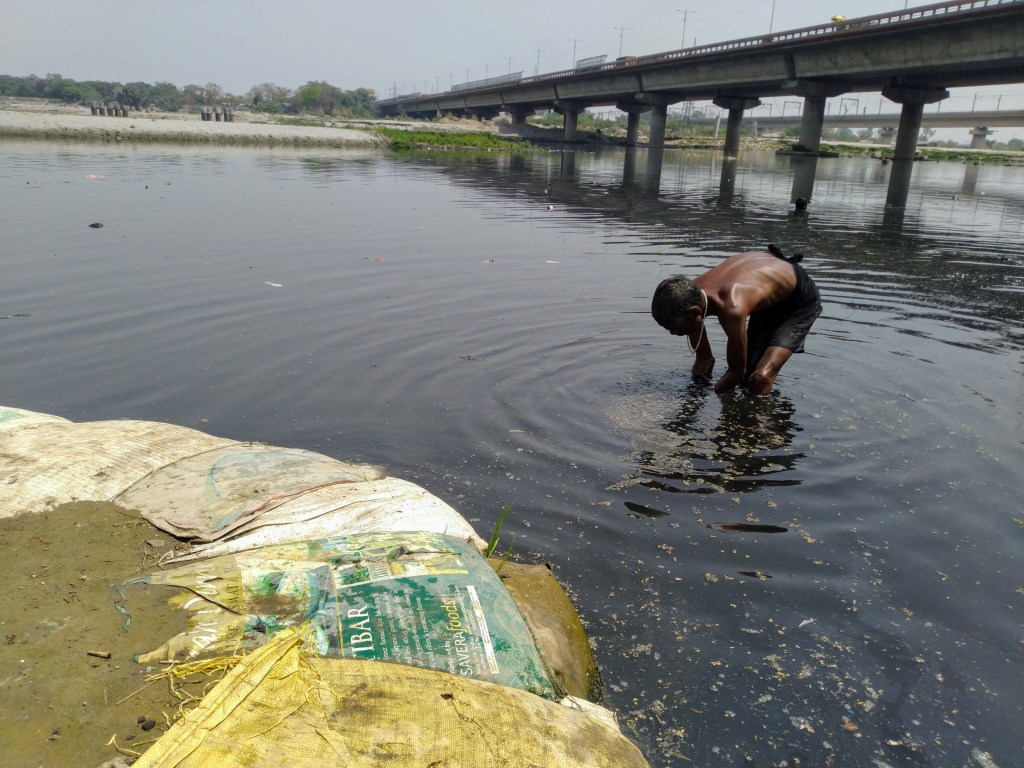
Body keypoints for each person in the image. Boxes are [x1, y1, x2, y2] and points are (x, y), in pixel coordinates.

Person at [651, 245, 823, 395]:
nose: (672, 333)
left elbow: (735, 372)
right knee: (748, 374)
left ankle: (758, 428)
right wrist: (703, 360)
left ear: (695, 312)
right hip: (766, 291)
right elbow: (701, 351)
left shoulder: (731, 309)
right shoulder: (689, 293)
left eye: (674, 328)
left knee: (760, 378)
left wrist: (714, 397)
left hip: (798, 301)